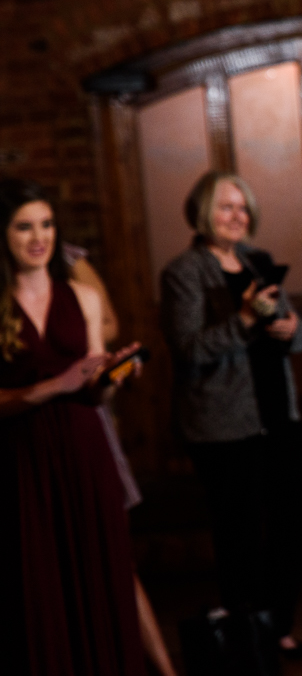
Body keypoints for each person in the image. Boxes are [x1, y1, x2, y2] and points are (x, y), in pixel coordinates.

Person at [160, 172, 302, 659]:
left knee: (293, 524)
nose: (238, 216)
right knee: (241, 534)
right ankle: (247, 634)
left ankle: (279, 627)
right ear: (203, 213)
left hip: (277, 415)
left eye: (243, 208)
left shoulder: (257, 262)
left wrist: (291, 329)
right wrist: (247, 322)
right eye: (226, 207)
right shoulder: (183, 272)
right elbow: (189, 350)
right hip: (223, 426)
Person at [0, 179, 146, 676]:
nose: (38, 237)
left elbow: (90, 393)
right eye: (23, 227)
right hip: (21, 458)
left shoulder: (81, 296)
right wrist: (50, 388)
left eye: (46, 225)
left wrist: (112, 377)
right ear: (3, 235)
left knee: (98, 573)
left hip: (85, 453)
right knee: (36, 584)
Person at [64, 244, 178, 676]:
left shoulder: (70, 262)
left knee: (114, 554)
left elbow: (107, 324)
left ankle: (162, 668)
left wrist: (82, 364)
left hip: (82, 405)